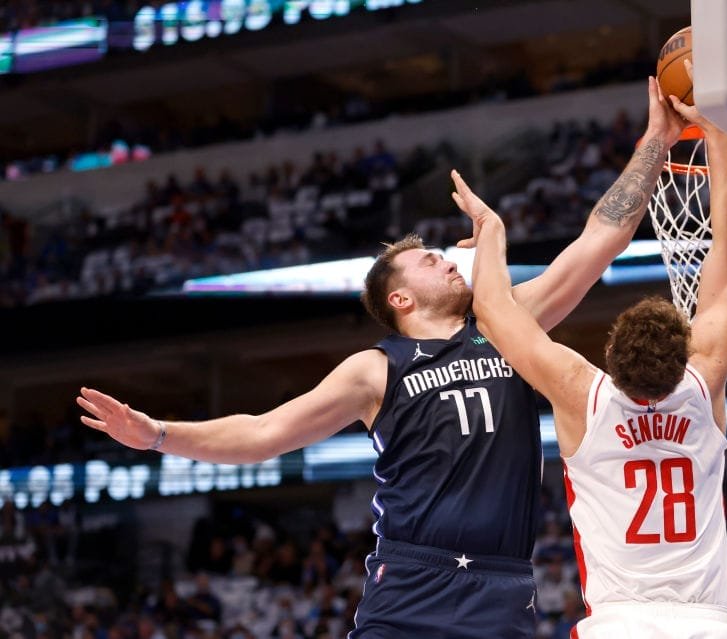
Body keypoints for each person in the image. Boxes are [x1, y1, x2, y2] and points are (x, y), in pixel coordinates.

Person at [76, 76, 688, 639]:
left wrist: (657, 139)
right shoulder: (376, 367)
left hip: (503, 585)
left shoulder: (506, 324)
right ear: (400, 297)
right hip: (411, 586)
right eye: (430, 261)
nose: (449, 260)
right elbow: (263, 432)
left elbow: (600, 239)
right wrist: (158, 434)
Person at [453, 79, 727, 638]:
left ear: (609, 355)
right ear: (686, 351)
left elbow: (492, 310)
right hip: (706, 623)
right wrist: (719, 136)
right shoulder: (705, 378)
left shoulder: (580, 391)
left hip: (619, 623)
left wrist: (491, 234)